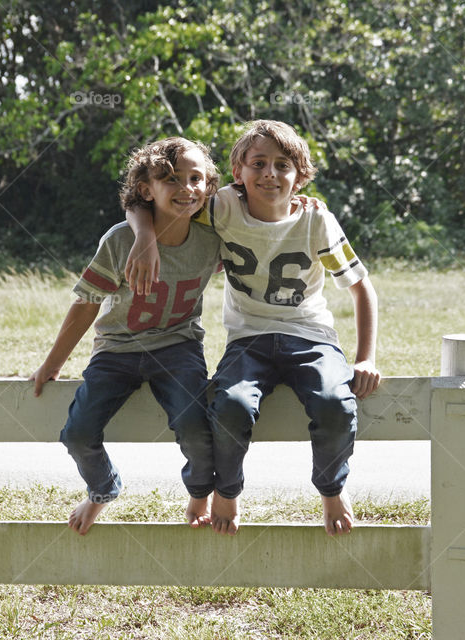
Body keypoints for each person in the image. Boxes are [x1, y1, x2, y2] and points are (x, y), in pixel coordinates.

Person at [125, 120, 380, 537]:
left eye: (283, 165)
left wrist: (366, 356)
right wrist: (144, 236)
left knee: (335, 403)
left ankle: (331, 488)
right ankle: (226, 491)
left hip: (310, 337)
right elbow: (145, 199)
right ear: (237, 173)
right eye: (258, 163)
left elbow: (361, 288)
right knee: (231, 407)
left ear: (300, 174)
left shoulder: (318, 221)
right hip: (248, 339)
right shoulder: (222, 207)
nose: (270, 173)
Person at [30, 136, 223, 535]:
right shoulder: (120, 240)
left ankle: (199, 492)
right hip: (117, 350)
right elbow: (86, 303)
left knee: (195, 425)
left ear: (208, 187)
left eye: (195, 179)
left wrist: (299, 205)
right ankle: (102, 488)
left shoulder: (214, 239)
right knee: (78, 432)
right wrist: (53, 363)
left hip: (179, 347)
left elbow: (261, 211)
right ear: (146, 190)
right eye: (170, 179)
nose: (185, 188)